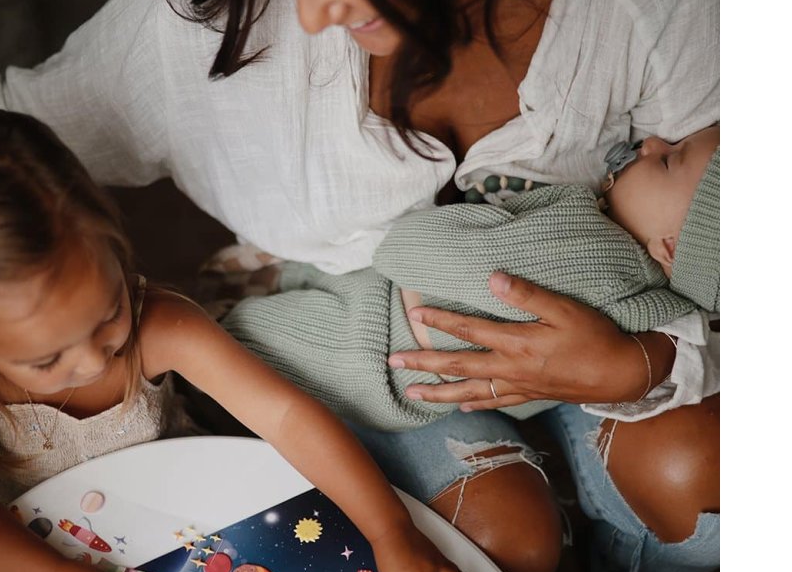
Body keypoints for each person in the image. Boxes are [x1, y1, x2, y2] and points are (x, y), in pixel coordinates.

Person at [0, 0, 719, 572]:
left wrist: (642, 362)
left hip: (610, 327)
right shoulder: (192, 8)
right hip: (351, 344)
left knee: (708, 473)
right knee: (502, 542)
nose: (313, 12)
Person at [0, 109, 479, 572]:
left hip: (191, 527)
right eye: (46, 359)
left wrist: (388, 528)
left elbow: (287, 417)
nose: (92, 360)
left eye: (108, 314)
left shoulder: (161, 326)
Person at [223, 125, 719, 431]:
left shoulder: (588, 238)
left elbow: (403, 252)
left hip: (364, 335)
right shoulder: (661, 309)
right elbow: (534, 396)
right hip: (411, 394)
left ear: (672, 247)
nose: (652, 142)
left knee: (230, 347)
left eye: (668, 160)